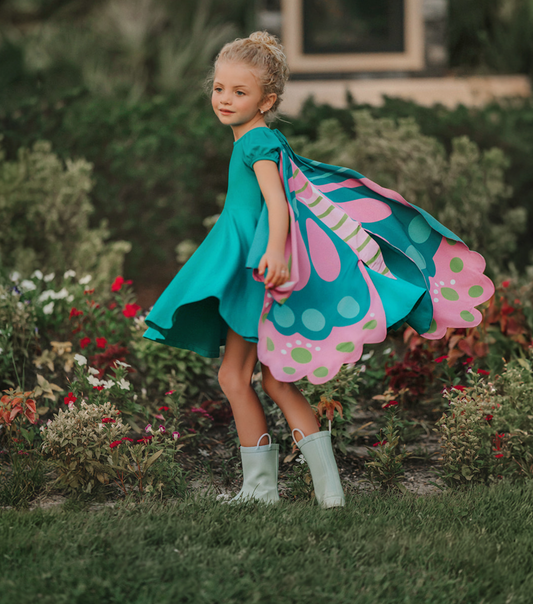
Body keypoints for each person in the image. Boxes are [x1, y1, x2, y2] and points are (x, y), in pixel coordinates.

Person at [144, 31, 494, 508]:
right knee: (271, 379)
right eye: (219, 88)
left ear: (267, 99)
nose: (224, 99)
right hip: (253, 264)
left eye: (239, 92)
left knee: (237, 378)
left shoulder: (257, 143)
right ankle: (324, 492)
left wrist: (274, 252)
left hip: (255, 270)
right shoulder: (260, 138)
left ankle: (265, 490)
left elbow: (277, 203)